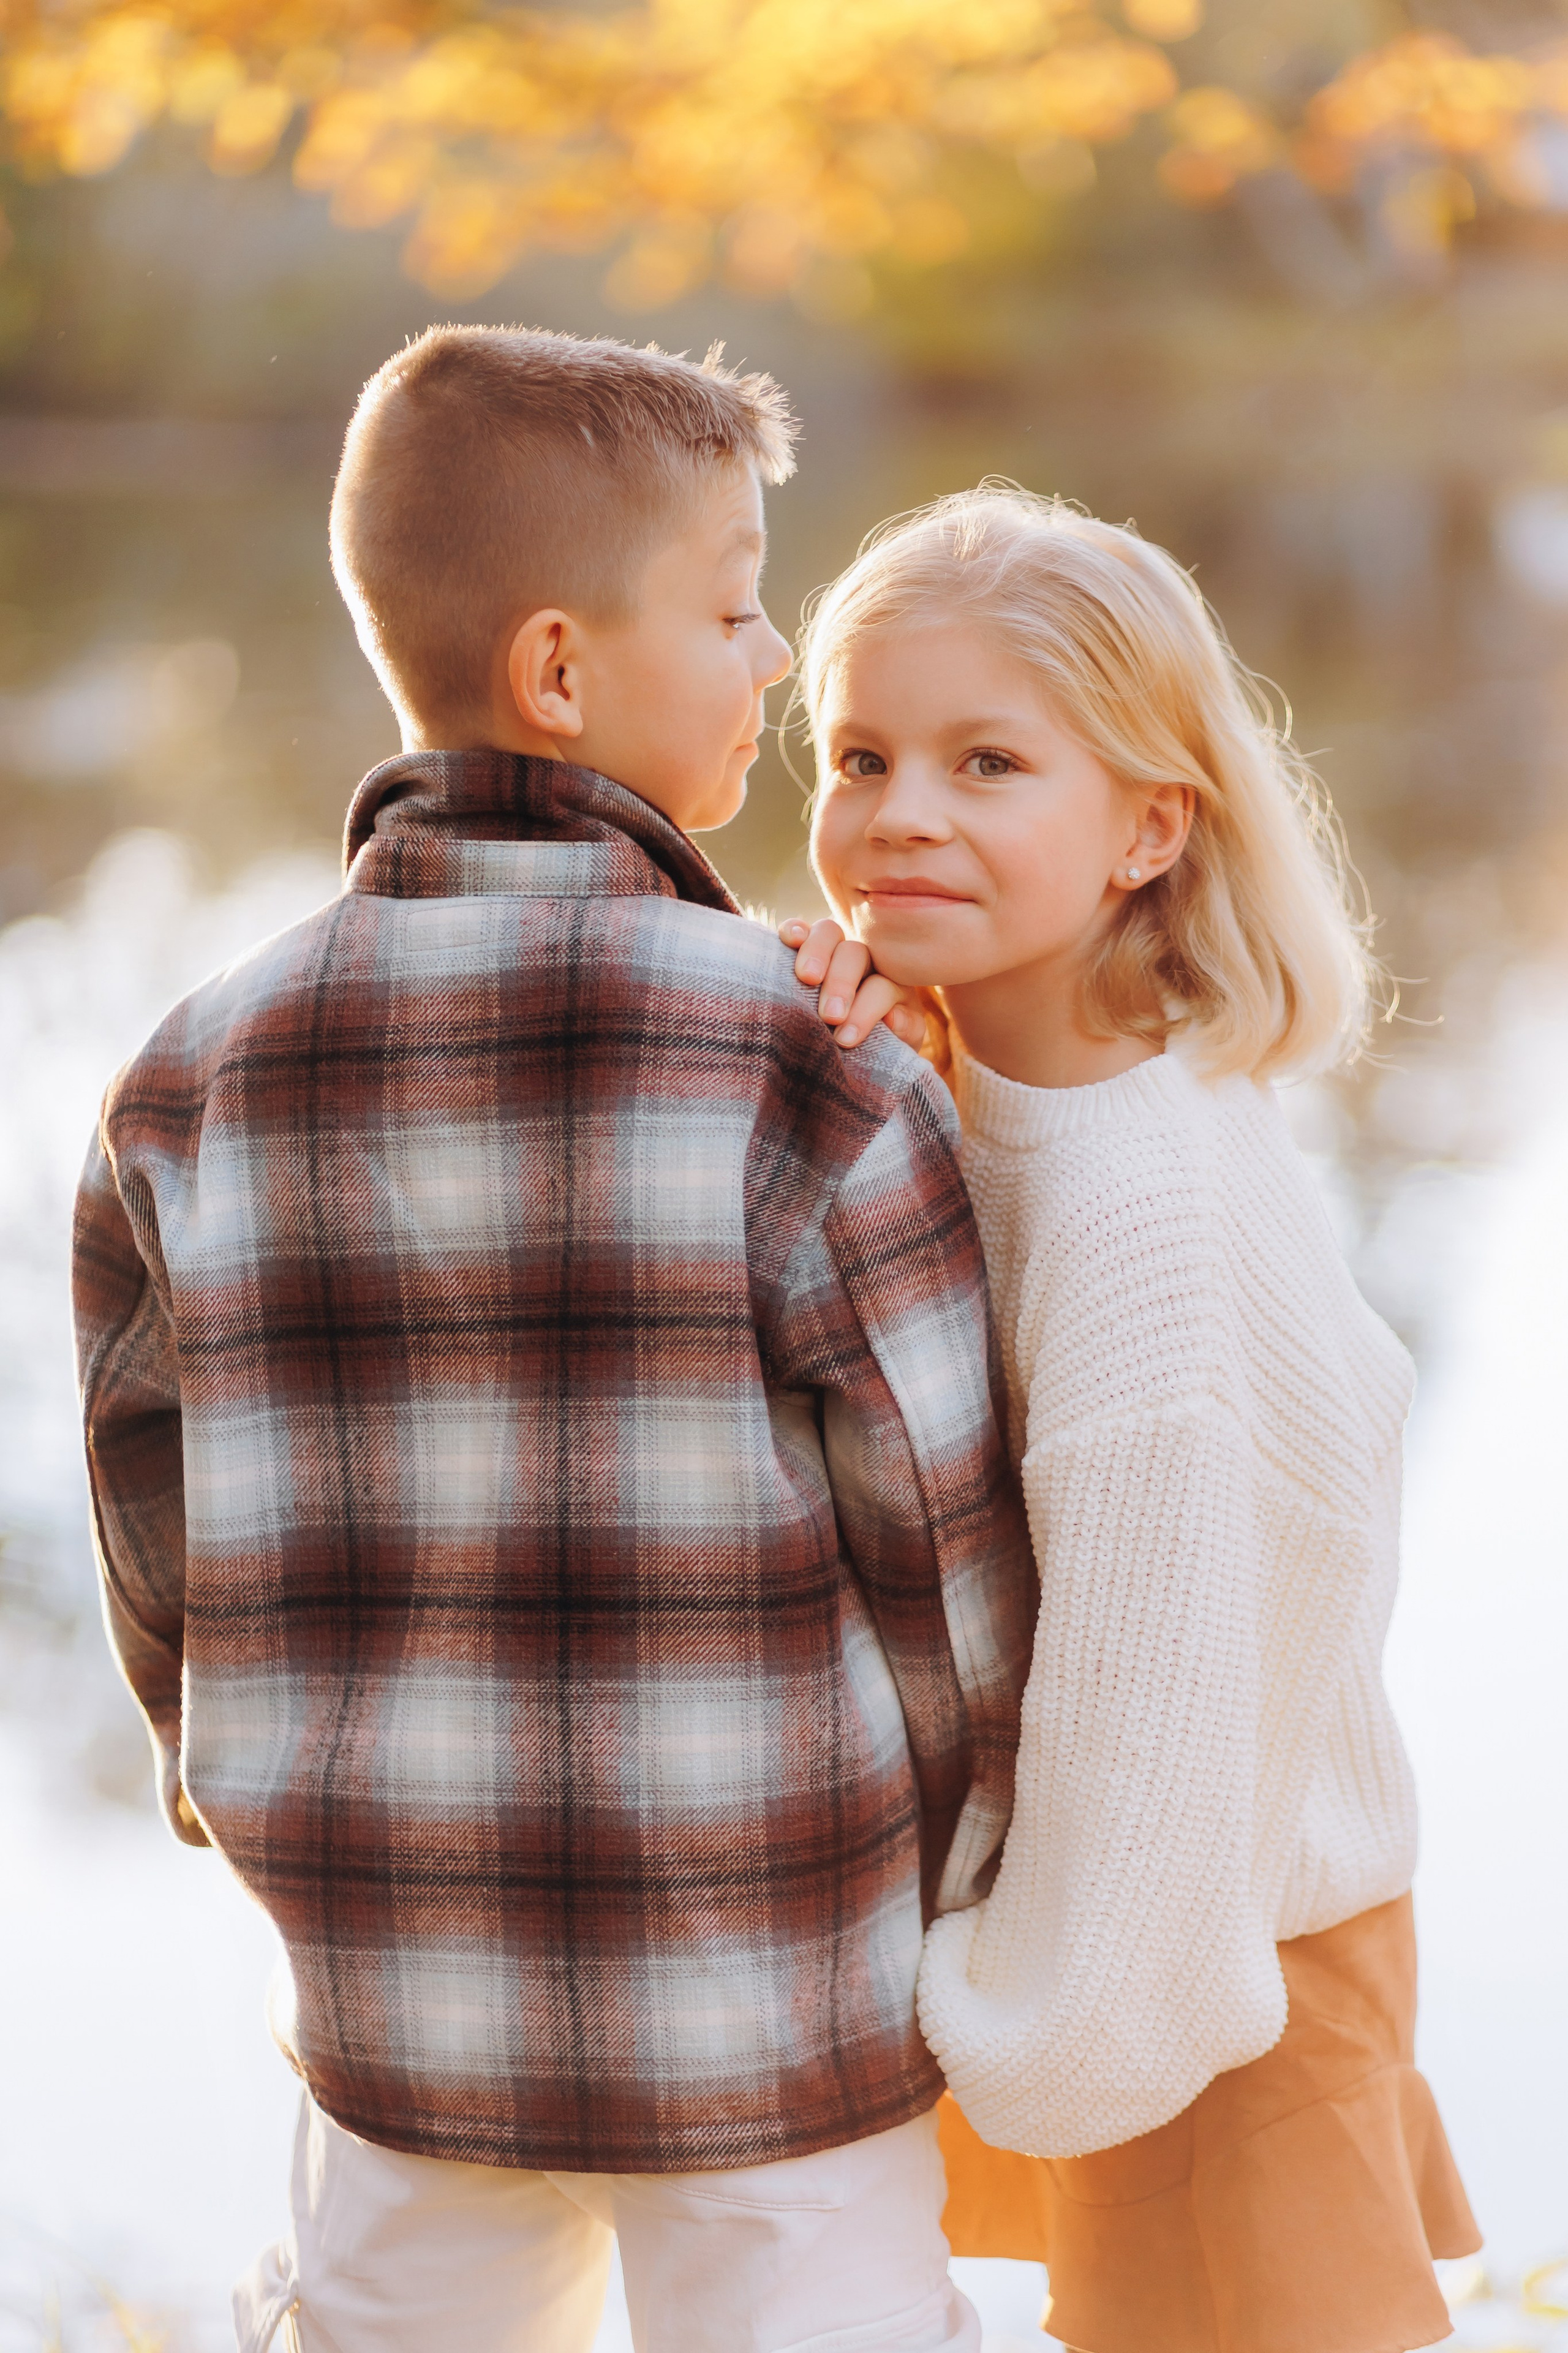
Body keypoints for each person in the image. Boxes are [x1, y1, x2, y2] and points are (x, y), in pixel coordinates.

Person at [70, 331, 1035, 2353]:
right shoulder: (809, 1067)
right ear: (563, 675)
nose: (775, 656)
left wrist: (255, 1808)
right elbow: (951, 1569)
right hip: (766, 1983)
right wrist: (963, 1883)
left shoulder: (185, 1077)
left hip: (393, 1979)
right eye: (734, 601)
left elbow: (154, 1554)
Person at [778, 485, 1481, 2353]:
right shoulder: (994, 1078)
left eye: (988, 761)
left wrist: (996, 2006)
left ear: (1147, 828)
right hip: (1131, 1933)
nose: (901, 812)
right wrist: (856, 1040)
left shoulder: (1137, 1217)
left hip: (1195, 1968)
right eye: (861, 754)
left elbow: (1164, 1693)